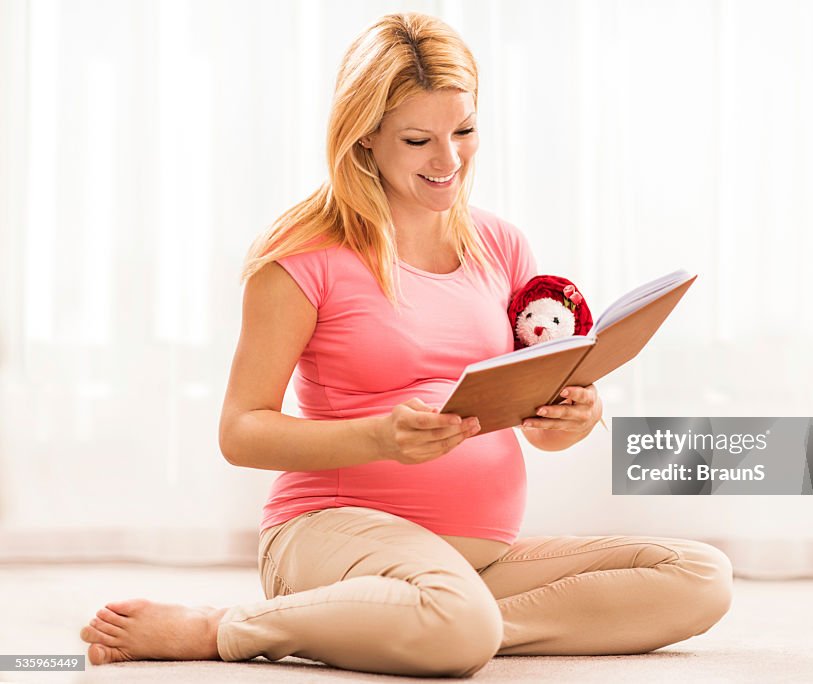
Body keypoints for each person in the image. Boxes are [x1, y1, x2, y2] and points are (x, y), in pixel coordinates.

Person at [79, 12, 732, 677]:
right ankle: (226, 627)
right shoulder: (300, 259)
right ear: (364, 139)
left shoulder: (499, 244)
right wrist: (378, 439)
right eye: (419, 139)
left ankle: (418, 622)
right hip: (328, 533)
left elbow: (534, 428)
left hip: (472, 560)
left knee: (698, 575)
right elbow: (240, 432)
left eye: (466, 131)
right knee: (460, 619)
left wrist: (571, 417)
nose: (449, 161)